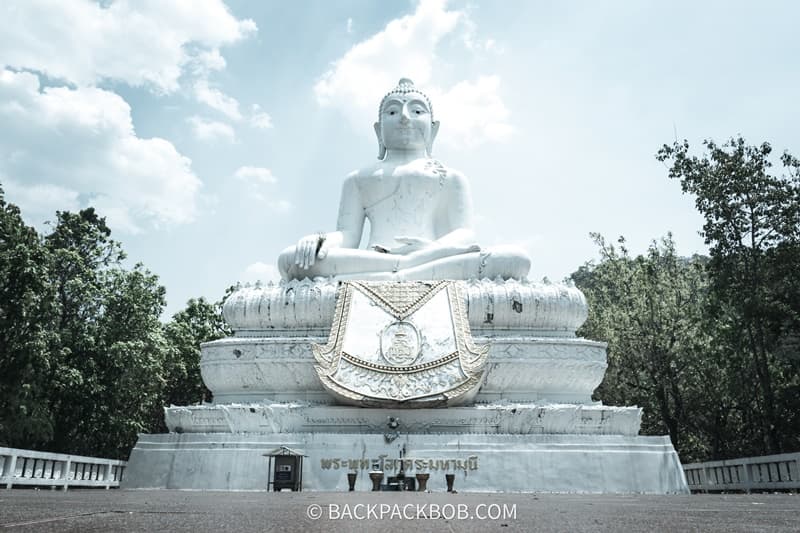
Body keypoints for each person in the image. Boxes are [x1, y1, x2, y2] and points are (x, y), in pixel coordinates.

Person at [278, 78, 530, 281]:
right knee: (291, 260)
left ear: (434, 128)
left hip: (431, 257)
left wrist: (427, 251)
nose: (405, 117)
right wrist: (320, 241)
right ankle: (406, 268)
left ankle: (401, 269)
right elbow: (348, 237)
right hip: (382, 258)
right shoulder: (358, 179)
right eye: (393, 111)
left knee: (515, 259)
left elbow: (463, 235)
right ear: (378, 130)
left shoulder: (452, 177)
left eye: (417, 110)